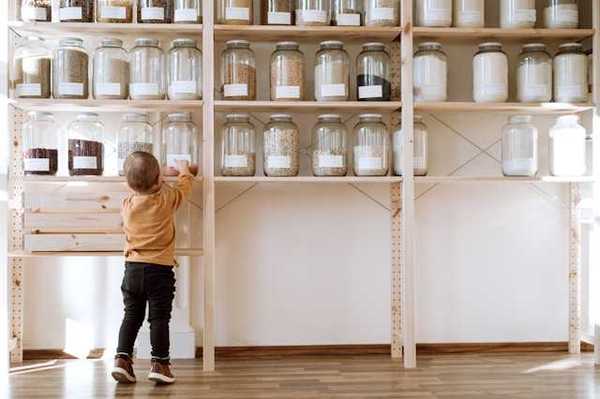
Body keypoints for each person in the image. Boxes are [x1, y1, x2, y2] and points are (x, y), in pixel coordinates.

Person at [111, 152, 193, 385]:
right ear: (159, 180)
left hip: (132, 270)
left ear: (128, 184)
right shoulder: (166, 199)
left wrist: (149, 180)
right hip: (159, 272)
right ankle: (160, 364)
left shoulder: (127, 205)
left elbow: (139, 187)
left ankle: (122, 360)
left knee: (131, 316)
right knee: (158, 319)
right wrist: (184, 170)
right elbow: (184, 187)